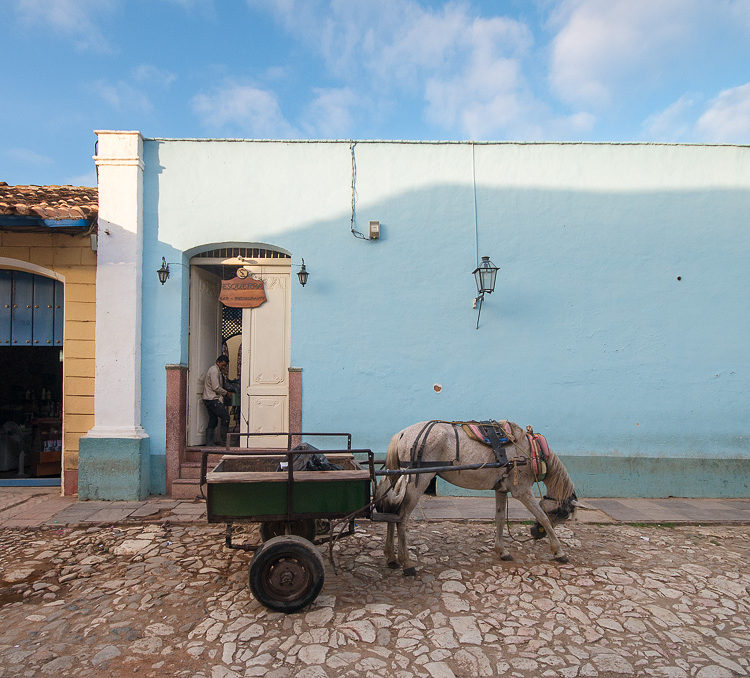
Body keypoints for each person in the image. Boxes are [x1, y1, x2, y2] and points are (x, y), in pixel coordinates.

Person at [202, 354, 231, 446]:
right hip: (212, 399)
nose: (223, 367)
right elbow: (216, 387)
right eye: (222, 365)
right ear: (217, 362)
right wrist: (226, 393)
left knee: (213, 420)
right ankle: (224, 441)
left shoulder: (216, 370)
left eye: (225, 365)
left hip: (208, 399)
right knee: (226, 417)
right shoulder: (214, 370)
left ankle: (210, 442)